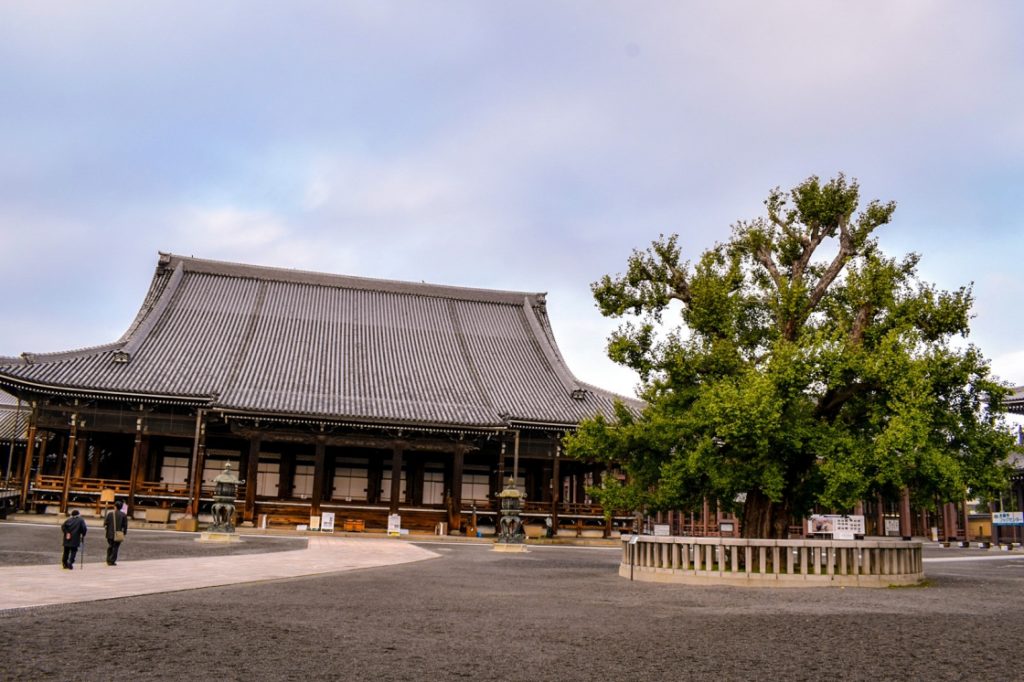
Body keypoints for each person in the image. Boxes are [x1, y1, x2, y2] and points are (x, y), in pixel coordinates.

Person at [103, 500, 128, 566]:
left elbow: (105, 523)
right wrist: (124, 533)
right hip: (118, 534)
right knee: (115, 547)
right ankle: (112, 560)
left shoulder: (110, 514)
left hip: (109, 534)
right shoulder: (123, 515)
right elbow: (125, 526)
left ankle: (108, 559)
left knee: (110, 546)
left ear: (115, 507)